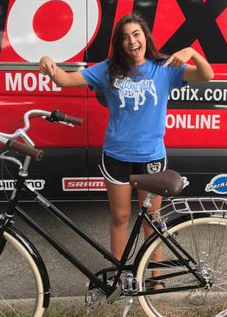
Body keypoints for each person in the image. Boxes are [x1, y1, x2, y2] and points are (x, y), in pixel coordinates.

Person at [39, 13, 213, 260]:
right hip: (117, 156)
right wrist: (47, 61)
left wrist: (191, 52)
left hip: (151, 157)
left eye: (136, 34)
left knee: (152, 221)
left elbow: (208, 75)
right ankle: (117, 272)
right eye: (124, 37)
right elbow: (65, 80)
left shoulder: (164, 67)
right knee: (120, 217)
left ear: (145, 37)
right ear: (119, 44)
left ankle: (154, 277)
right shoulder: (108, 69)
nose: (131, 41)